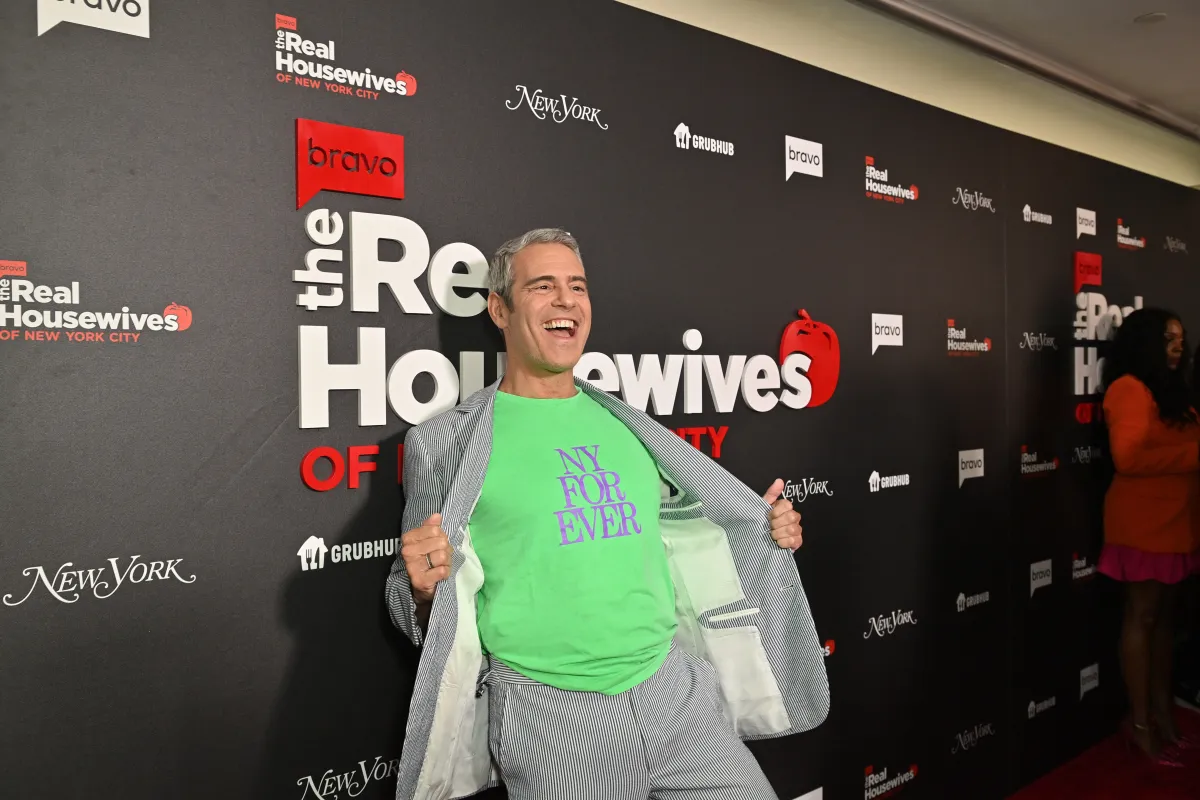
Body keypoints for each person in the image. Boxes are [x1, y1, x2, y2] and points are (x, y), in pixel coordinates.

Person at [385, 228, 829, 800]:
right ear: (499, 309)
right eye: (543, 286)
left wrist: (763, 530)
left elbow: (691, 535)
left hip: (677, 693)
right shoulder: (444, 442)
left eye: (578, 286)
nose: (566, 300)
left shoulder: (628, 423)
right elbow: (413, 596)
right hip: (554, 720)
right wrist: (420, 588)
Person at [1099, 307, 1200, 766]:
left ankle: (1161, 715)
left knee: (1163, 625)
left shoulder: (1172, 391)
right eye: (1168, 339)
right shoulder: (1128, 388)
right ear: (1145, 343)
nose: (1178, 347)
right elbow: (1129, 459)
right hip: (1143, 525)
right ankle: (1139, 725)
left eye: (1181, 339)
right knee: (1142, 619)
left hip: (1177, 524)